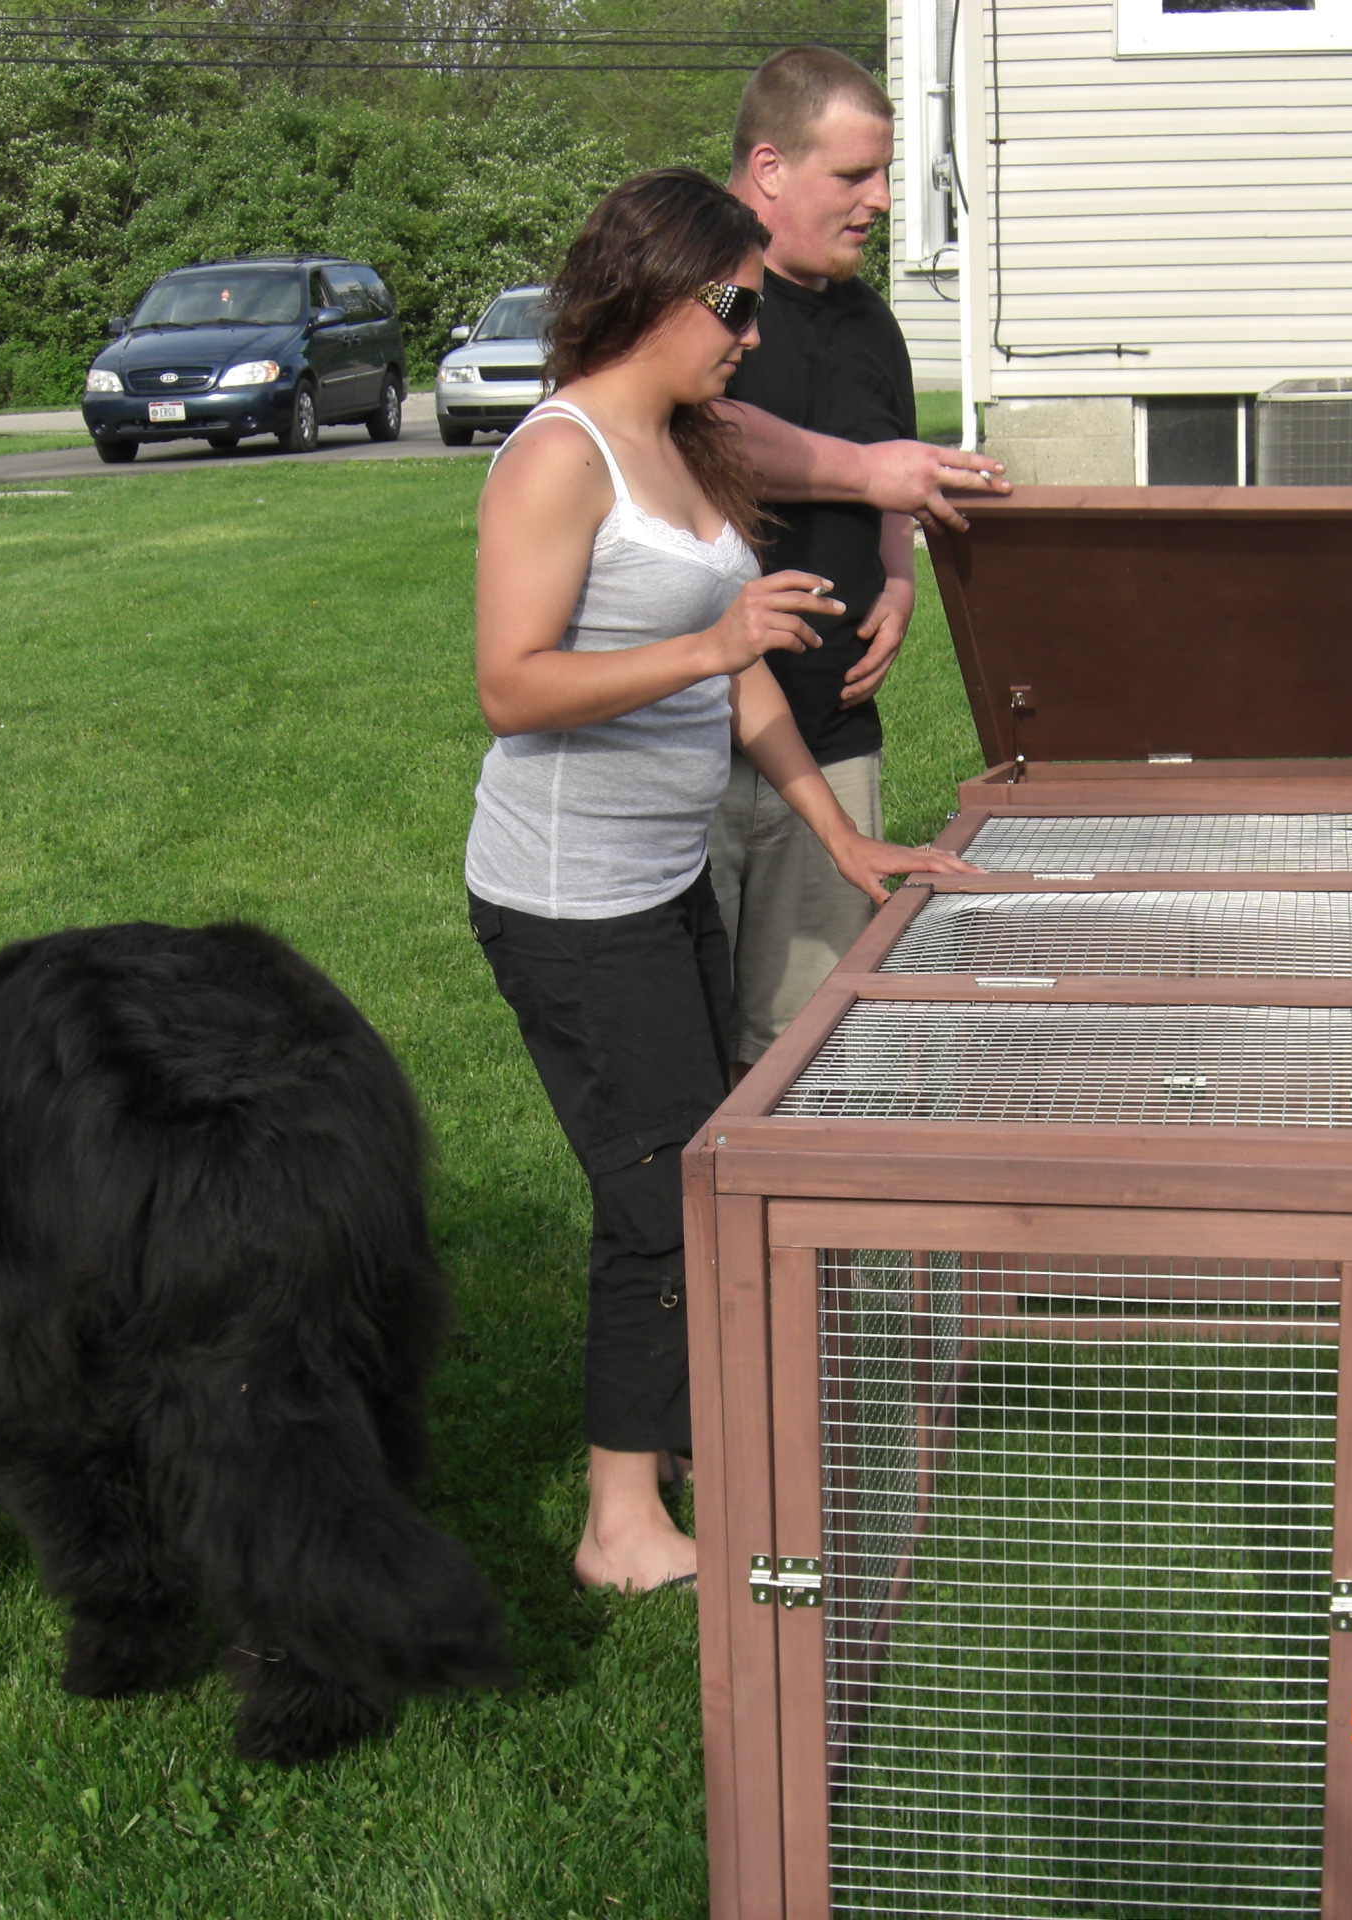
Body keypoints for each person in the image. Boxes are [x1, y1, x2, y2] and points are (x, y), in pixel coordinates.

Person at [464, 169, 978, 1595]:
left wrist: (835, 833)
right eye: (734, 308)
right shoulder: (559, 456)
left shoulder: (687, 443)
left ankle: (679, 1436)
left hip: (660, 879)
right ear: (654, 292)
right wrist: (712, 643)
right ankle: (618, 1523)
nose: (751, 336)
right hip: (566, 901)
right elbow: (512, 686)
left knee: (693, 1165)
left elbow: (740, 668)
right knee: (656, 1201)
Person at [708, 47, 928, 1080]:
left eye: (883, 174)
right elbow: (697, 428)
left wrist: (898, 576)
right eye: (853, 175)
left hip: (832, 736)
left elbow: (897, 462)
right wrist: (867, 470)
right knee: (686, 1050)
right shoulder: (708, 290)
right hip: (696, 745)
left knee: (813, 1050)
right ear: (769, 168)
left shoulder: (870, 320)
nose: (879, 200)